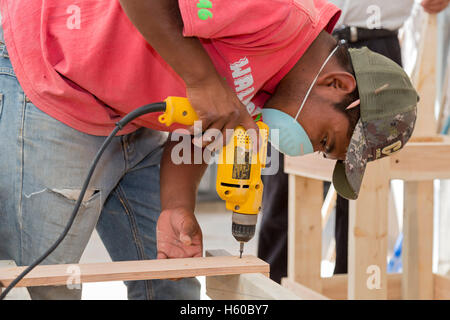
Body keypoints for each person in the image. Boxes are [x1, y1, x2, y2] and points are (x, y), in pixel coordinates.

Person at [0, 0, 418, 300]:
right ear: (338, 86)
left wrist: (176, 205)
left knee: (175, 282)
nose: (309, 149)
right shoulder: (273, 14)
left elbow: (200, 124)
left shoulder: (280, 88)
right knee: (49, 286)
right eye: (326, 141)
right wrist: (202, 80)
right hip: (54, 75)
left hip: (134, 117)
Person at [258, 0, 448, 283]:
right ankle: (269, 288)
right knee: (282, 189)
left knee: (361, 201)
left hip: (379, 44)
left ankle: (353, 285)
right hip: (317, 35)